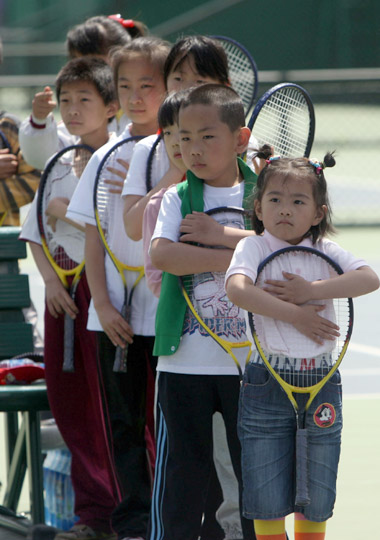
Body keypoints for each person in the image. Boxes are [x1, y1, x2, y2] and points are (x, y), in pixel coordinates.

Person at [225, 148, 379, 540]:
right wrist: (295, 312)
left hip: (321, 380)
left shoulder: (326, 252)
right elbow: (237, 289)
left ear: (318, 213)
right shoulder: (254, 247)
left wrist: (313, 289)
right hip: (265, 382)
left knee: (317, 488)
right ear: (258, 207)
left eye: (298, 201)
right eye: (275, 200)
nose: (285, 210)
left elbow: (369, 278)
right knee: (265, 487)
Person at [66, 36, 170, 540]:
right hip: (115, 320)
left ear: (169, 87)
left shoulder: (183, 155)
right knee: (124, 427)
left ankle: (176, 519)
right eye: (124, 85)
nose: (134, 96)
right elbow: (91, 235)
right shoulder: (106, 156)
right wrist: (102, 305)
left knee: (174, 429)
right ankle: (133, 524)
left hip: (173, 317)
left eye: (146, 85)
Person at [148, 84, 258, 540]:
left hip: (254, 367)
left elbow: (283, 252)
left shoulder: (267, 196)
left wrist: (217, 237)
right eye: (183, 137)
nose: (192, 148)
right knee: (181, 484)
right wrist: (237, 260)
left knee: (257, 482)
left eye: (207, 136)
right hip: (183, 365)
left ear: (241, 138)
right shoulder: (177, 198)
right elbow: (164, 256)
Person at [20, 57, 120, 540]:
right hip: (61, 297)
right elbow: (35, 225)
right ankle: (91, 518)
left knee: (109, 409)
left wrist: (65, 210)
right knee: (71, 410)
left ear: (111, 107)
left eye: (86, 100)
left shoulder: (124, 158)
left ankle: (123, 514)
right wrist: (52, 283)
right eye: (66, 101)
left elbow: (117, 229)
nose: (74, 110)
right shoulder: (58, 157)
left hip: (104, 297)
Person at [18, 14, 147, 170]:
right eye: (78, 62)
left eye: (96, 62)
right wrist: (38, 122)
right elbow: (42, 159)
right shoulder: (70, 123)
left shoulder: (148, 111)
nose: (88, 70)